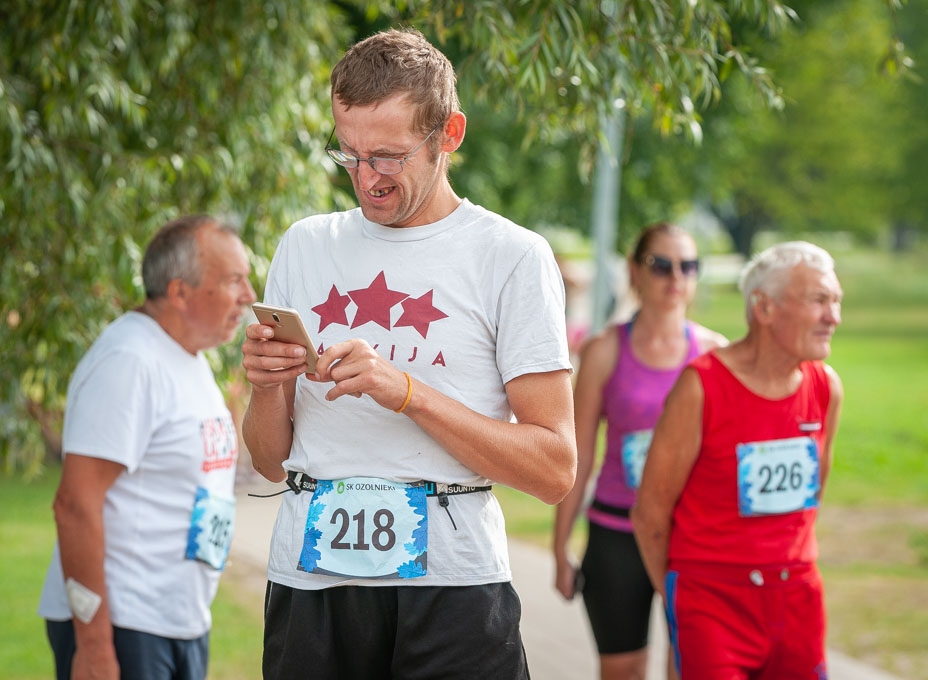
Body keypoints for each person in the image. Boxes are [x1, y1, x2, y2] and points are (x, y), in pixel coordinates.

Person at [240, 27, 576, 680]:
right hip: (313, 580)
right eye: (349, 154)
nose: (367, 179)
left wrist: (408, 394)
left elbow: (553, 469)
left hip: (454, 586)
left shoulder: (512, 256)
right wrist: (266, 385)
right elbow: (270, 460)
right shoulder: (305, 244)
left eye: (389, 157)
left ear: (449, 134)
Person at [37, 215, 257, 680]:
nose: (249, 295)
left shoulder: (188, 357)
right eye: (234, 280)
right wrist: (94, 645)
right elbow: (74, 505)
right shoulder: (129, 361)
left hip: (175, 620)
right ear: (179, 292)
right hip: (123, 626)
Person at [632, 241, 844, 680]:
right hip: (712, 601)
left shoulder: (826, 386)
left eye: (836, 301)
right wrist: (680, 598)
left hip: (797, 597)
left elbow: (812, 497)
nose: (834, 317)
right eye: (819, 300)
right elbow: (650, 513)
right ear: (763, 307)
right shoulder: (701, 387)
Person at [552, 223, 727, 680]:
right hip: (617, 534)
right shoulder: (604, 351)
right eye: (661, 265)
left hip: (689, 537)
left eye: (688, 266)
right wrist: (560, 547)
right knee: (623, 670)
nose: (676, 278)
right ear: (635, 272)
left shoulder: (714, 353)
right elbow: (578, 457)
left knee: (687, 667)